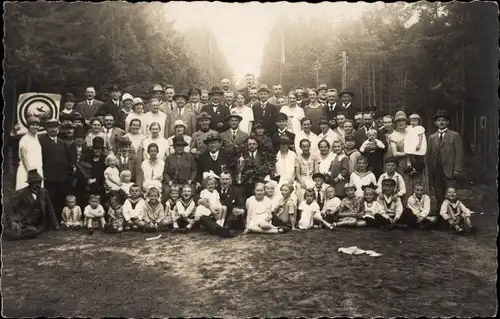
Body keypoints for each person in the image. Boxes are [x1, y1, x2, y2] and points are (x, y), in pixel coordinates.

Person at [3, 169, 59, 241]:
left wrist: (55, 224)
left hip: (35, 224)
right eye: (36, 183)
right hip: (21, 221)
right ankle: (15, 231)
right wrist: (13, 221)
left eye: (40, 182)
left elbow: (50, 208)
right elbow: (10, 207)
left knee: (34, 232)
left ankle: (19, 233)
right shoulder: (21, 193)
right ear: (30, 183)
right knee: (15, 232)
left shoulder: (44, 192)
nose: (38, 185)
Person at [426, 110, 464, 208]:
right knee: (439, 195)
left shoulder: (454, 135)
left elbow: (459, 154)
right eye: (439, 120)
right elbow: (429, 156)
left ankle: (452, 217)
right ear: (435, 123)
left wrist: (457, 169)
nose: (441, 122)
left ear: (447, 122)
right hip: (436, 171)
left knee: (451, 195)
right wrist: (430, 172)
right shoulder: (431, 137)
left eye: (443, 120)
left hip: (449, 171)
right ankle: (441, 217)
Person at [39, 119, 75, 221]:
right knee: (50, 199)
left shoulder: (62, 143)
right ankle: (50, 221)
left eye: (55, 127)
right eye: (50, 127)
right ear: (46, 129)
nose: (53, 129)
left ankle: (60, 220)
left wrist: (69, 173)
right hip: (49, 176)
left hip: (62, 177)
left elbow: (68, 160)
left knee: (60, 198)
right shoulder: (41, 141)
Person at [16, 117, 44, 191]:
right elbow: (23, 156)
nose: (35, 127)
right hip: (27, 170)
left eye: (37, 125)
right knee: (25, 193)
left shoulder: (37, 138)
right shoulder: (24, 139)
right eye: (33, 125)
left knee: (38, 194)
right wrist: (30, 172)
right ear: (28, 126)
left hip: (38, 169)